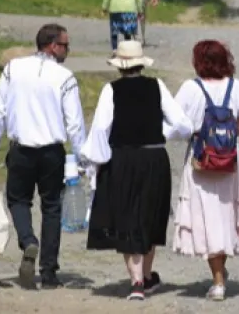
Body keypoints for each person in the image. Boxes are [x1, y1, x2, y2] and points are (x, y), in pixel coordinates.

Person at [82, 41, 193, 301]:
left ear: (119, 66)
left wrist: (95, 163)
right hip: (154, 157)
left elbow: (100, 129)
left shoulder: (111, 90)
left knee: (127, 215)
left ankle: (137, 281)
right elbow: (182, 124)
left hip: (122, 158)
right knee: (150, 215)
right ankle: (145, 274)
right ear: (141, 63)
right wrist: (159, 134)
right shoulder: (157, 86)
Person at [0, 24, 87, 291]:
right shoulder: (65, 77)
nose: (67, 50)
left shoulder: (13, 70)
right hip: (52, 151)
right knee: (52, 207)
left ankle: (28, 240)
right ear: (52, 45)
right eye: (65, 45)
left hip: (21, 148)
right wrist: (83, 158)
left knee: (18, 200)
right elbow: (74, 123)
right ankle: (49, 272)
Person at [172, 41, 239, 301]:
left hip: (202, 159)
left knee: (207, 217)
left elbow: (178, 124)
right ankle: (221, 270)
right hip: (230, 160)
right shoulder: (236, 86)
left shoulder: (191, 88)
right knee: (225, 214)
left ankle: (218, 280)